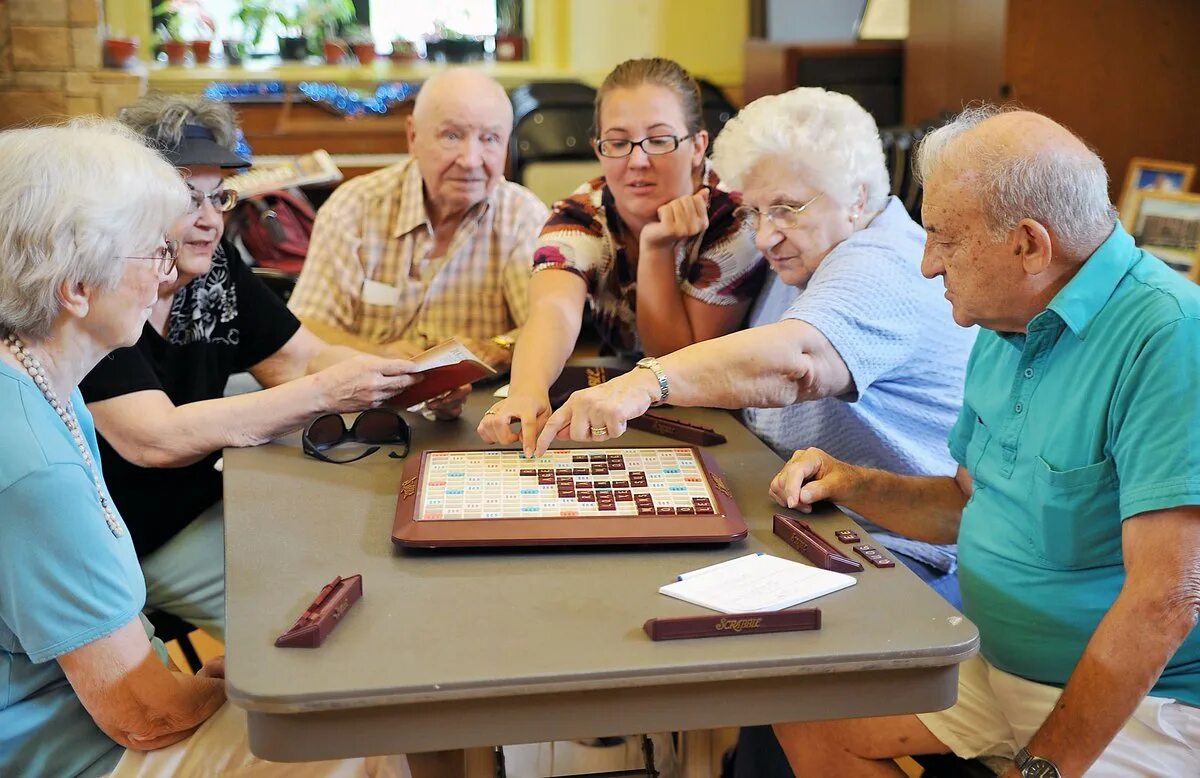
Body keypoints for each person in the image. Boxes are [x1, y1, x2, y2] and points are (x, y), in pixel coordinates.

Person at [766, 107, 1200, 776]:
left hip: (1141, 706)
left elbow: (1166, 600)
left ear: (1028, 245)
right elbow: (968, 504)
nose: (928, 263)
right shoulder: (1007, 320)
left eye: (945, 238)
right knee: (804, 708)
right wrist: (853, 482)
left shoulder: (1169, 336)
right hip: (995, 666)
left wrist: (1045, 767)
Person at [0, 119, 405, 778]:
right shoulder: (32, 464)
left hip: (97, 707)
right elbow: (144, 716)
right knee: (353, 740)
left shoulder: (42, 379)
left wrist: (210, 678)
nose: (170, 275)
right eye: (151, 254)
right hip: (74, 751)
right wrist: (226, 687)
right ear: (75, 288)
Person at [533, 88, 973, 608]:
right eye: (755, 212)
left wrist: (643, 384)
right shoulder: (813, 249)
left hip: (899, 556)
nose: (765, 238)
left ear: (857, 198)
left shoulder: (880, 261)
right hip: (807, 518)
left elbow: (796, 365)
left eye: (786, 209)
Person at [80, 94, 434, 641]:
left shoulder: (212, 267)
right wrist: (324, 391)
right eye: (185, 199)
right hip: (128, 534)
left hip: (216, 499)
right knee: (298, 619)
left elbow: (299, 357)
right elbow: (154, 440)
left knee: (351, 563)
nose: (208, 221)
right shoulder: (102, 292)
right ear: (132, 201)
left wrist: (403, 377)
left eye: (218, 197)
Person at [478, 57, 767, 453]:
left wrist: (656, 250)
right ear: (599, 149)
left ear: (698, 145)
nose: (637, 161)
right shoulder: (579, 213)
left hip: (725, 418)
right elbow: (554, 310)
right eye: (617, 142)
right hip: (626, 403)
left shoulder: (736, 218)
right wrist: (527, 393)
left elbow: (678, 363)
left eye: (659, 139)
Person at [288, 68, 550, 369]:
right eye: (452, 136)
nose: (470, 160)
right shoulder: (355, 208)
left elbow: (547, 324)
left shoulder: (522, 216)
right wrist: (376, 354)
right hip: (365, 401)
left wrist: (497, 347)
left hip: (482, 406)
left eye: (490, 139)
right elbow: (307, 326)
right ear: (413, 137)